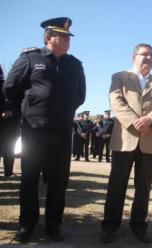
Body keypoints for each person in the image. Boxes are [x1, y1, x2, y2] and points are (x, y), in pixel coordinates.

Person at [3, 17, 86, 242]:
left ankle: (53, 226)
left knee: (59, 181)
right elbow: (10, 89)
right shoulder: (30, 58)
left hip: (61, 132)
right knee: (29, 178)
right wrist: (29, 109)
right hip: (34, 130)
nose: (68, 40)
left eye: (69, 37)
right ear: (49, 38)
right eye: (64, 36)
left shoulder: (74, 65)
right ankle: (26, 226)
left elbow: (80, 96)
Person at [100, 43, 152, 244]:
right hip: (125, 139)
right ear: (134, 57)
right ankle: (110, 226)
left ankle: (139, 226)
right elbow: (116, 101)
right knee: (117, 185)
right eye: (144, 54)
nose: (148, 58)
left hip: (149, 139)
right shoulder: (120, 77)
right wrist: (135, 122)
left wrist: (149, 119)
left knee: (143, 187)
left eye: (151, 55)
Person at [1, 65, 21, 179]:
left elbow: (20, 106)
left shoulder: (16, 89)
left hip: (11, 123)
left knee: (9, 148)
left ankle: (8, 172)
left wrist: (14, 114)